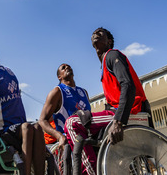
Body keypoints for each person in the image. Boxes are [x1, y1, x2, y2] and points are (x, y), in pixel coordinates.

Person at [64, 28, 153, 175]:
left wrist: (118, 121)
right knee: (83, 130)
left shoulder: (112, 55)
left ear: (109, 41)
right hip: (118, 111)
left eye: (100, 33)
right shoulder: (105, 64)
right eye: (93, 33)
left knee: (72, 123)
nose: (95, 35)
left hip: (130, 112)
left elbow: (128, 86)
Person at [39, 63, 91, 150]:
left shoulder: (84, 92)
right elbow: (42, 120)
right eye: (63, 68)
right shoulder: (57, 92)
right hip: (69, 139)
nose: (67, 67)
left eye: (69, 66)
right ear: (59, 77)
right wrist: (59, 136)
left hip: (87, 138)